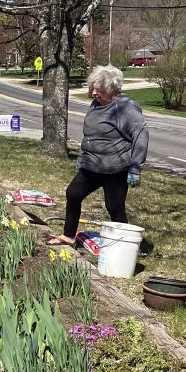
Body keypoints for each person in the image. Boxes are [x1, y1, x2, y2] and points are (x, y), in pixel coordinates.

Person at [48, 65, 148, 246]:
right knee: (73, 193)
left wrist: (135, 167)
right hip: (92, 166)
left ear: (112, 90)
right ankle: (69, 236)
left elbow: (140, 135)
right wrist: (81, 159)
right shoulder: (96, 104)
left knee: (114, 206)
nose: (93, 92)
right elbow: (91, 135)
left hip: (115, 169)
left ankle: (124, 245)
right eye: (92, 87)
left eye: (98, 89)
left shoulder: (125, 108)